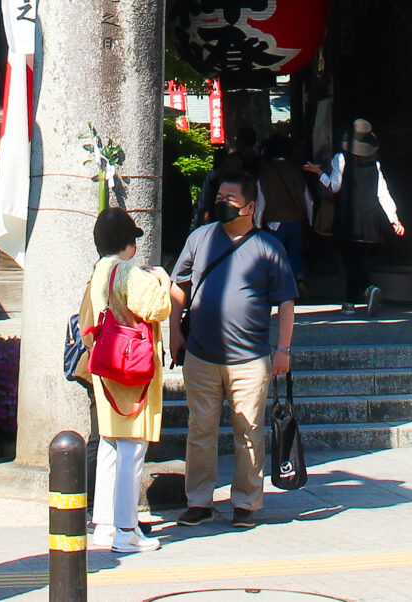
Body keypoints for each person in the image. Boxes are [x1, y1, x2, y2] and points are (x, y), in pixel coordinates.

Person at [170, 169, 298, 526]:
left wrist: (283, 350)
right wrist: (174, 332)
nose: (221, 203)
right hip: (200, 352)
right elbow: (178, 286)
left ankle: (246, 503)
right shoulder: (200, 238)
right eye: (219, 197)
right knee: (200, 430)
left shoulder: (268, 247)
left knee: (249, 432)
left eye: (230, 199)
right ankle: (198, 500)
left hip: (250, 357)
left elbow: (286, 303)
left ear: (250, 207)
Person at [76, 206, 173, 554]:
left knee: (109, 445)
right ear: (128, 243)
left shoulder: (97, 274)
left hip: (105, 367)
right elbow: (159, 308)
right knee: (133, 447)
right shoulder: (128, 273)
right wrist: (163, 279)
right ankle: (126, 530)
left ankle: (103, 524)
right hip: (132, 370)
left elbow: (86, 325)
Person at [316, 120, 403, 312]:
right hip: (370, 217)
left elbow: (335, 186)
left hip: (349, 216)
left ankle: (367, 288)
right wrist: (393, 218)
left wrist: (319, 173)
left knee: (351, 260)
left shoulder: (341, 159)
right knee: (357, 260)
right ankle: (349, 302)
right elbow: (383, 193)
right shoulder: (375, 165)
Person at [254, 133, 313, 282]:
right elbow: (308, 200)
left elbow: (261, 202)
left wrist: (258, 224)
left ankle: (278, 283)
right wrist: (310, 221)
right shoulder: (296, 171)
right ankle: (298, 278)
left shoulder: (265, 173)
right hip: (296, 220)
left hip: (274, 221)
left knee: (274, 255)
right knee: (295, 253)